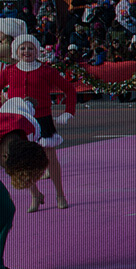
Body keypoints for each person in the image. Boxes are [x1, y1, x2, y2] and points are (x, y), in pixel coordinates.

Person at [0, 35, 78, 212]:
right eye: (23, 48)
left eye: (30, 48)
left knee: (50, 158)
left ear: (37, 51)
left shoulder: (46, 70)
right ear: (16, 51)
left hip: (43, 119)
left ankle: (60, 194)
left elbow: (69, 89)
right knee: (23, 161)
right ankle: (35, 195)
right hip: (18, 122)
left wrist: (68, 112)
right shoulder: (10, 70)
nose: (26, 51)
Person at [0, 98, 52, 269]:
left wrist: (28, 102)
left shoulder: (28, 127)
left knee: (5, 211)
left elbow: (19, 105)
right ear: (4, 156)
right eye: (7, 170)